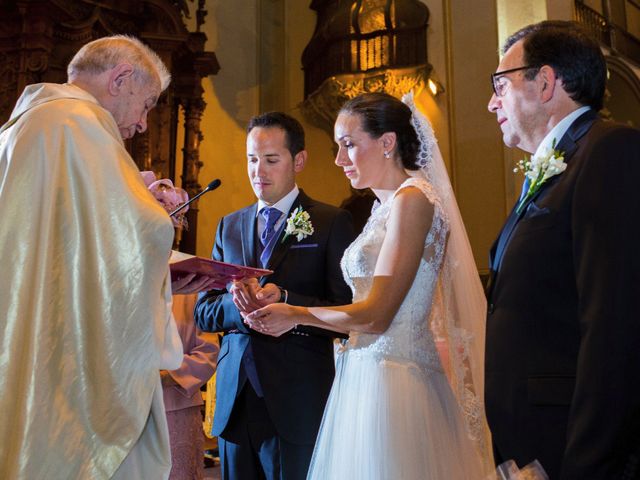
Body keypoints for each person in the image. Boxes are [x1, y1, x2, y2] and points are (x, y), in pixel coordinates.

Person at [245, 92, 494, 479]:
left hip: (396, 382)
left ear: (387, 142)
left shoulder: (414, 200)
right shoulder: (384, 207)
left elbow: (377, 315)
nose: (339, 160)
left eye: (348, 145)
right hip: (362, 376)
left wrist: (295, 314)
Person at [0, 35, 188, 480]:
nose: (143, 124)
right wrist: (156, 217)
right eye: (145, 104)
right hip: (60, 351)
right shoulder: (80, 124)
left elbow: (59, 240)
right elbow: (128, 242)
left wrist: (131, 196)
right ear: (120, 79)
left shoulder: (24, 126)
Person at [485, 20, 640, 479]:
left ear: (546, 81)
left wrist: (587, 463)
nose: (491, 102)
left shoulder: (610, 151)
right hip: (533, 443)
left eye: (500, 84)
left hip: (575, 448)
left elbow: (616, 325)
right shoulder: (557, 167)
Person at [193, 112, 355, 479]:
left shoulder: (331, 222)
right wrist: (241, 306)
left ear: (298, 161)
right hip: (236, 402)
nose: (258, 171)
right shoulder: (229, 225)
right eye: (251, 159)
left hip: (296, 398)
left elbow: (347, 312)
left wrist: (286, 299)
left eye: (270, 160)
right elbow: (204, 312)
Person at [162, 294, 219, 480]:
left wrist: (170, 376)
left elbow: (208, 352)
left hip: (176, 410)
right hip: (124, 412)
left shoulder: (190, 290)